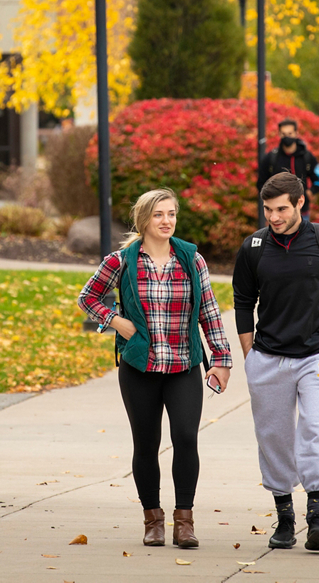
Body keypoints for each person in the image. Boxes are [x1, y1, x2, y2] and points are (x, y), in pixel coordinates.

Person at [76, 188, 233, 549]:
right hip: (138, 368)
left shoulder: (192, 259)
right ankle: (153, 519)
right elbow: (88, 297)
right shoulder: (122, 261)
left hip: (183, 366)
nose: (167, 221)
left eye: (172, 214)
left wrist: (221, 360)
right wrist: (115, 321)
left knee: (186, 438)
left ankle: (184, 521)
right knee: (146, 444)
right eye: (159, 215)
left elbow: (209, 311)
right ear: (144, 220)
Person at [233, 172, 319, 553]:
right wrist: (249, 355)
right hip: (268, 356)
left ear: (299, 204)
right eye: (268, 210)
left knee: (316, 426)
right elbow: (243, 300)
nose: (274, 217)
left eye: (281, 209)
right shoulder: (254, 247)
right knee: (273, 436)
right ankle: (285, 515)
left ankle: (317, 514)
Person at [258, 118, 319, 216]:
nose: (287, 137)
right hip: (278, 214)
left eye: (290, 134)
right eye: (283, 134)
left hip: (302, 212)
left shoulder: (307, 157)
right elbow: (261, 183)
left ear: (296, 133)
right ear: (279, 134)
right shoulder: (271, 158)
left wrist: (310, 193)